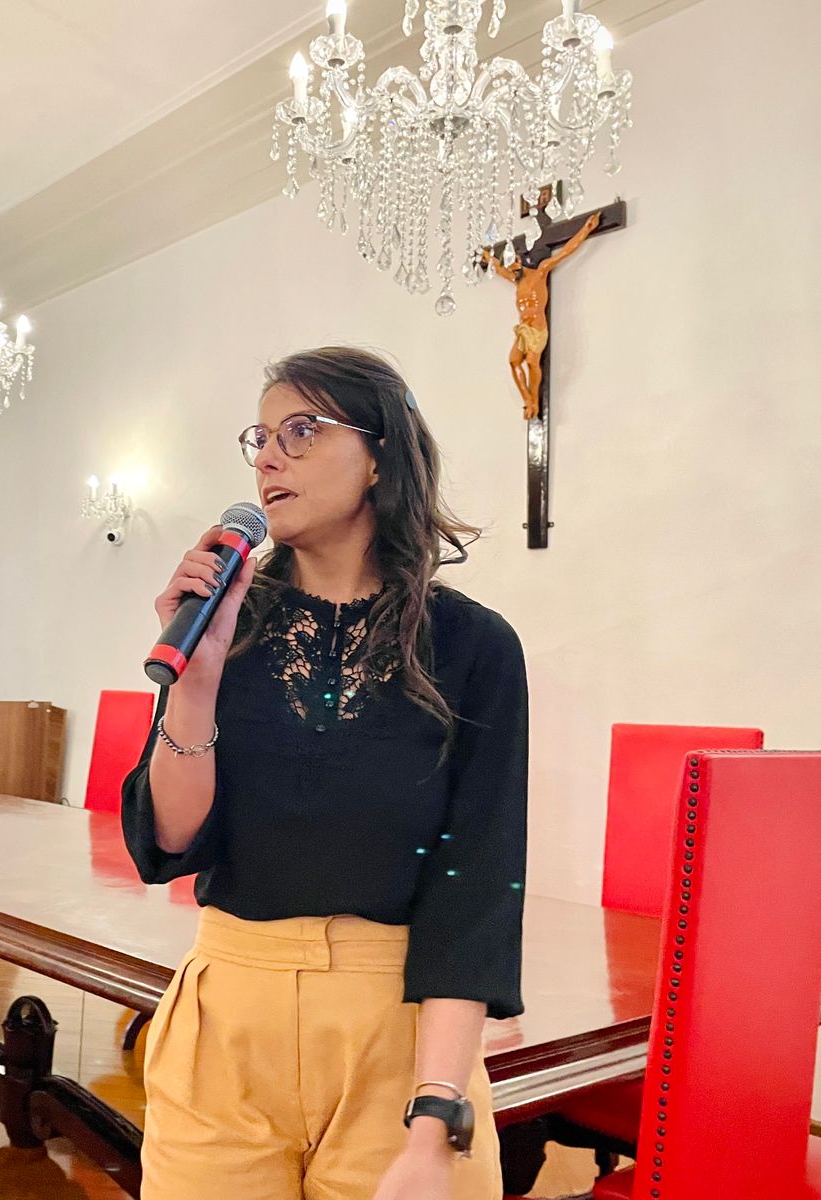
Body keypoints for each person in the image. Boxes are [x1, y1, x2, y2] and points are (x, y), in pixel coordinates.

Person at [122, 347, 528, 1200]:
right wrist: (196, 684)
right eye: (261, 437)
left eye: (301, 431)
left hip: (399, 1036)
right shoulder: (224, 626)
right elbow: (170, 840)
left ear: (379, 455)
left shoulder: (473, 647)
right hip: (227, 1021)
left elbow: (477, 886)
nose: (269, 458)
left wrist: (435, 1119)